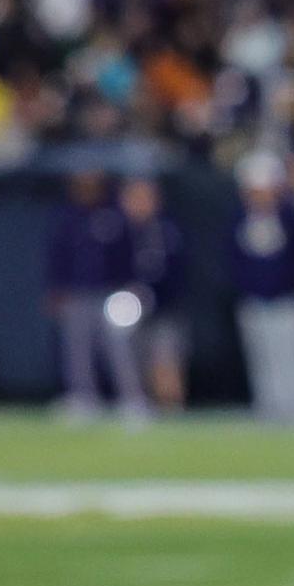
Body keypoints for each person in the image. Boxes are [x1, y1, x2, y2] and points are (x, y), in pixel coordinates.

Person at [231, 152, 294, 423]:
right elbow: (234, 258)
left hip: (288, 299)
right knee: (262, 359)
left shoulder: (290, 217)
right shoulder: (240, 219)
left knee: (293, 357)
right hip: (255, 299)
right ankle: (268, 408)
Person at [46, 171, 132, 417]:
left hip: (110, 293)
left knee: (118, 349)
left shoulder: (113, 215)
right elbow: (56, 256)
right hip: (76, 293)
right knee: (76, 350)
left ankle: (130, 399)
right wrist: (55, 288)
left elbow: (124, 255)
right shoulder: (66, 216)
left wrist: (126, 285)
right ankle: (83, 398)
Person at [116, 176, 184, 417]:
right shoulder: (119, 230)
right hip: (129, 309)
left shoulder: (165, 230)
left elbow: (173, 272)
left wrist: (153, 295)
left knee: (165, 362)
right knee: (134, 360)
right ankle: (138, 404)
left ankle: (171, 411)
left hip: (164, 309)